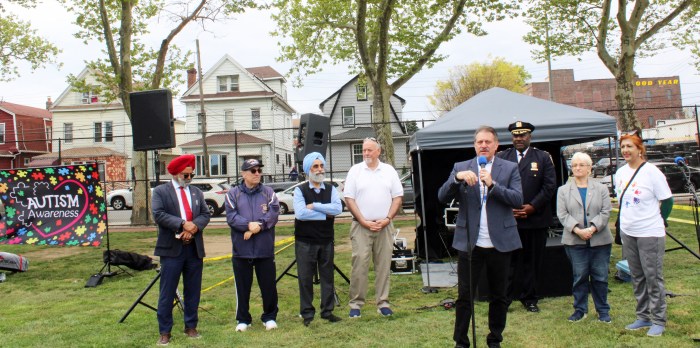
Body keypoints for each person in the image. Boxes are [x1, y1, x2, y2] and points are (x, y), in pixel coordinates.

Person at [438, 126, 523, 348]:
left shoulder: (509, 168)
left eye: (487, 142)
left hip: (500, 243)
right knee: (465, 296)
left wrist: (492, 184)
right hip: (470, 243)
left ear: (496, 145)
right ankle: (461, 342)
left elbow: (517, 199)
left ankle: (495, 339)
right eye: (479, 142)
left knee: (499, 296)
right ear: (474, 145)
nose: (483, 145)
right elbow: (441, 195)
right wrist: (457, 179)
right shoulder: (461, 167)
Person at [614, 132, 673, 337]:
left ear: (640, 149)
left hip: (650, 232)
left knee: (652, 276)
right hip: (629, 231)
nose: (626, 150)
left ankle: (658, 319)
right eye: (623, 147)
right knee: (637, 276)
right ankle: (643, 316)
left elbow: (667, 201)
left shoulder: (652, 172)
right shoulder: (620, 172)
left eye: (630, 146)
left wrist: (660, 220)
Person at [497, 121, 556, 313]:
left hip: (535, 220)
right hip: (509, 219)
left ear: (529, 136)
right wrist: (509, 207)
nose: (518, 139)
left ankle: (530, 298)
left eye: (522, 135)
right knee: (508, 262)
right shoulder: (502, 157)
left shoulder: (543, 157)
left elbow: (549, 187)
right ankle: (505, 299)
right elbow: (495, 186)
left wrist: (532, 207)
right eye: (515, 135)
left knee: (532, 262)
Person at [152, 154, 211, 345]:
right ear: (176, 173)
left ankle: (191, 326)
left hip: (193, 248)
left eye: (191, 175)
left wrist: (193, 227)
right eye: (186, 175)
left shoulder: (196, 192)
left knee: (193, 290)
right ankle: (165, 331)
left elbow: (205, 214)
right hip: (171, 250)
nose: (189, 178)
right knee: (167, 291)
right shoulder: (161, 191)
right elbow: (159, 214)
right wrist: (182, 224)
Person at [344, 137, 403, 318]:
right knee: (359, 264)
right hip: (361, 226)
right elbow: (349, 198)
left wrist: (387, 219)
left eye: (370, 150)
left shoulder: (389, 171)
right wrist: (362, 220)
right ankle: (356, 304)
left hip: (384, 226)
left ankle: (383, 303)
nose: (366, 153)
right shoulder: (355, 171)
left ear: (379, 151)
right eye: (364, 150)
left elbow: (397, 197)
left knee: (384, 265)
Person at [556, 152, 613, 323]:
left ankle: (603, 311)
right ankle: (580, 310)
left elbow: (606, 211)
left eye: (581, 165)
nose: (577, 168)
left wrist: (593, 228)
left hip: (600, 241)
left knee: (600, 277)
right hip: (575, 241)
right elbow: (562, 214)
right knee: (579, 277)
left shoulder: (601, 188)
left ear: (589, 168)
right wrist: (578, 231)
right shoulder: (563, 190)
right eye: (574, 165)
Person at [225, 159, 281, 332]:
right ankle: (243, 319)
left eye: (259, 170)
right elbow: (231, 217)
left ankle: (269, 317)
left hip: (264, 249)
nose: (257, 173)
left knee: (268, 286)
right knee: (242, 286)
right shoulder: (233, 194)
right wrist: (248, 225)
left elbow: (273, 214)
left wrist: (260, 225)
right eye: (253, 170)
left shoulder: (268, 192)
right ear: (243, 174)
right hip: (242, 251)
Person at [293, 152, 343, 326]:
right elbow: (300, 214)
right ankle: (307, 314)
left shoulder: (330, 189)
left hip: (326, 240)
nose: (320, 169)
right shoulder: (300, 190)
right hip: (305, 242)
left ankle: (327, 311)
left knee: (327, 277)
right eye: (316, 166)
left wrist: (315, 206)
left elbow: (337, 209)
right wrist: (325, 214)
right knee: (305, 278)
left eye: (321, 166)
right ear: (308, 170)